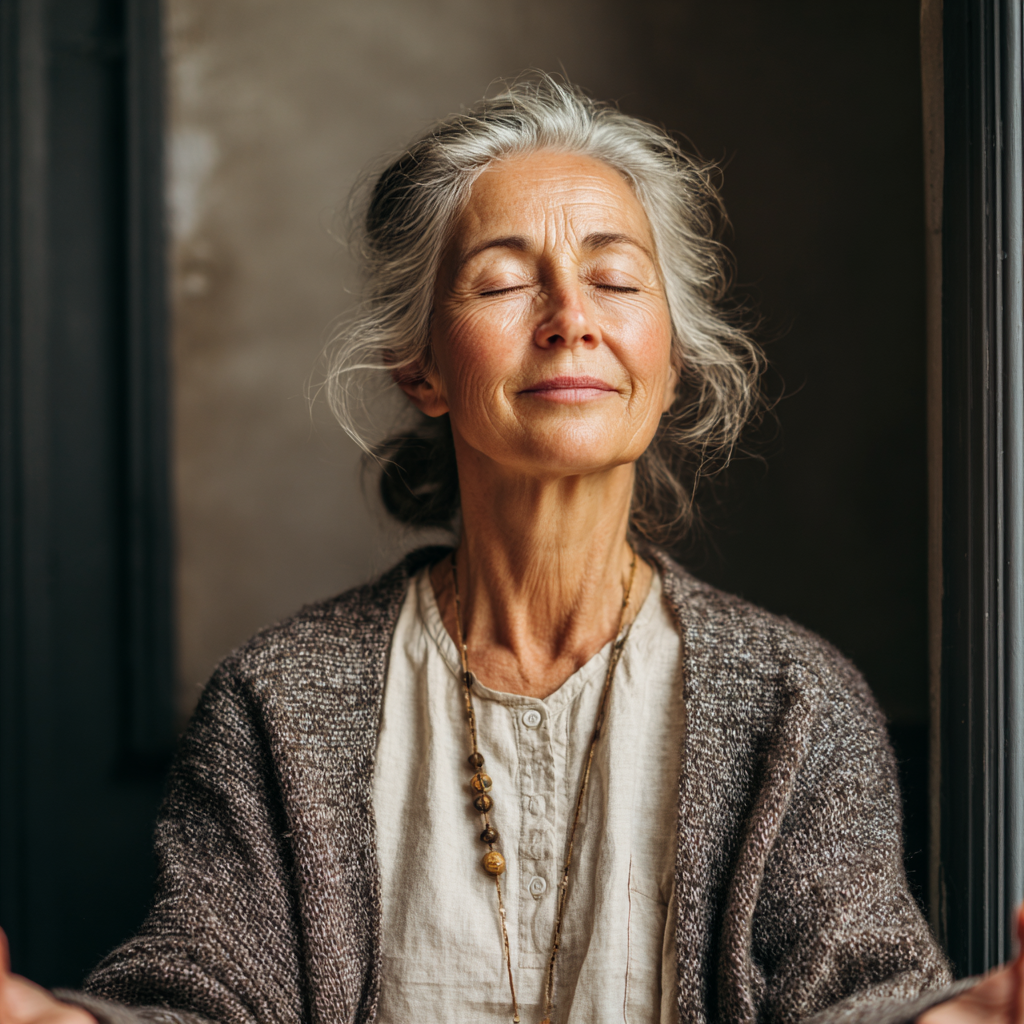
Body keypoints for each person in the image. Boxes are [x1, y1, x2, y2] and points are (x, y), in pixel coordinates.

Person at [0, 76, 1021, 1024]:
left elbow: (852, 996)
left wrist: (973, 1015)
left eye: (615, 279)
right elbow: (204, 995)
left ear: (669, 365)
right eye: (501, 284)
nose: (570, 320)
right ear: (421, 366)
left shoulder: (795, 704)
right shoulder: (277, 702)